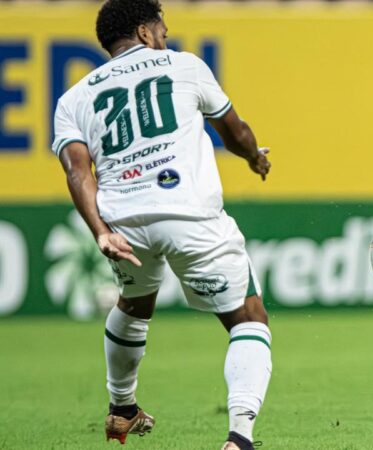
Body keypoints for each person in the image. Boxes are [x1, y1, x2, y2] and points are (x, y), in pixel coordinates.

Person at [52, 1, 272, 449]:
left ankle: (122, 408)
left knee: (134, 302)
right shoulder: (184, 66)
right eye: (164, 32)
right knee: (248, 317)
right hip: (188, 212)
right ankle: (240, 439)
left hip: (123, 222)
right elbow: (235, 130)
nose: (166, 40)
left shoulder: (73, 98)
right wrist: (254, 157)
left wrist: (100, 231)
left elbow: (78, 172)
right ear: (145, 32)